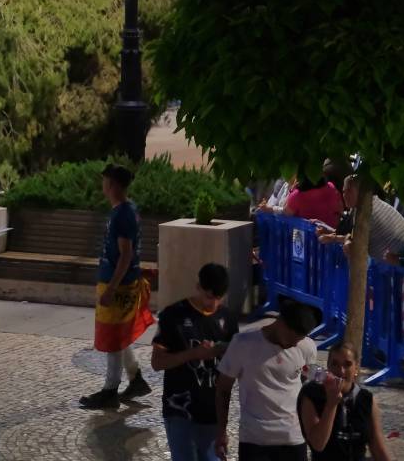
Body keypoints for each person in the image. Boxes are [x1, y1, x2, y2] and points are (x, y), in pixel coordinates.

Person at [80, 163, 154, 409]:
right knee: (120, 334)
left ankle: (110, 390)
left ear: (111, 184)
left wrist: (111, 288)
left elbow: (125, 254)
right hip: (119, 282)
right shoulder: (125, 210)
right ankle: (136, 379)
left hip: (119, 285)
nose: (102, 185)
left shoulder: (122, 215)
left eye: (104, 181)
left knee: (112, 337)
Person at [215, 300, 319, 461]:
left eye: (298, 341)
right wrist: (221, 431)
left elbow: (307, 383)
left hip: (293, 439)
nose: (293, 345)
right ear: (281, 323)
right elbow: (223, 389)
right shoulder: (242, 343)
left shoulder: (307, 347)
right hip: (254, 440)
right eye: (291, 339)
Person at [153, 263, 238, 461]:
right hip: (180, 411)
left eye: (219, 298)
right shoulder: (172, 316)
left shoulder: (228, 319)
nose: (213, 304)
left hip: (212, 412)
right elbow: (157, 363)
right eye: (209, 297)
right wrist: (193, 354)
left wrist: (223, 428)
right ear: (198, 287)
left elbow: (232, 369)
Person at [297, 342, 392, 461]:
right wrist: (331, 404)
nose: (341, 371)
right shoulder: (312, 394)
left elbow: (378, 448)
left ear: (356, 368)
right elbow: (318, 444)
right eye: (334, 364)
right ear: (328, 366)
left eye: (347, 364)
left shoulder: (366, 399)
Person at [316, 177, 404, 262]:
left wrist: (333, 238)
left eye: (349, 191)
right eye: (344, 191)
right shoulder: (364, 204)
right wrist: (328, 230)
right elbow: (349, 234)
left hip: (403, 267)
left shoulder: (367, 212)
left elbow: (353, 244)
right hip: (394, 265)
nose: (345, 195)